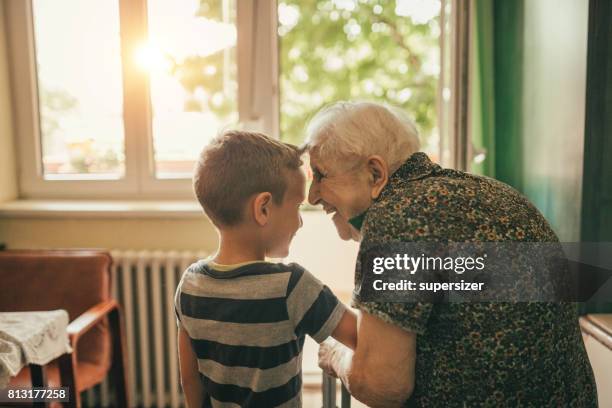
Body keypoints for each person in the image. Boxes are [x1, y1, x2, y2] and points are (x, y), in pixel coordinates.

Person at [306, 101, 597, 407]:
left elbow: (381, 385)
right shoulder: (495, 193)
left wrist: (337, 356)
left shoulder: (398, 217)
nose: (312, 196)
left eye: (321, 175)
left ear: (375, 173)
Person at [175, 130, 357, 407]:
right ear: (263, 208)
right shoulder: (292, 287)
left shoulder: (189, 286)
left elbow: (190, 380)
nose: (300, 223)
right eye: (296, 207)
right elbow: (362, 338)